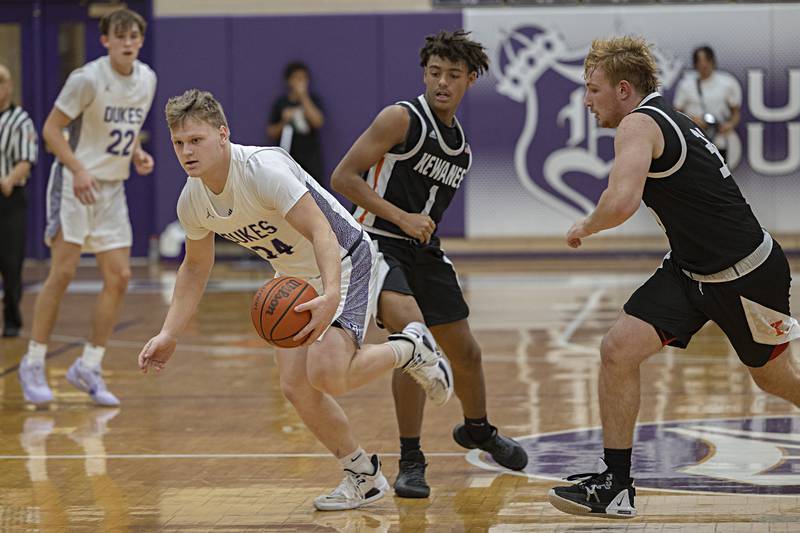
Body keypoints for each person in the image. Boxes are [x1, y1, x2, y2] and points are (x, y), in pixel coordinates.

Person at [138, 89, 454, 511]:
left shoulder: (262, 170)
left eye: (196, 140)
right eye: (178, 143)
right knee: (295, 387)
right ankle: (363, 475)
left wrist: (331, 294)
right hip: (294, 275)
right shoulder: (192, 200)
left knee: (328, 373)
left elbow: (322, 231)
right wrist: (168, 332)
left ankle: (410, 347)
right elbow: (194, 269)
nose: (186, 151)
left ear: (222, 134)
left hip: (345, 258)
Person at [549, 35, 800, 519]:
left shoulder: (639, 123)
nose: (586, 100)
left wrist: (586, 225)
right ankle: (616, 486)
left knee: (774, 379)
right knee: (617, 350)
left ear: (624, 89)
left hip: (747, 276)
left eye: (592, 89)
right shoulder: (667, 116)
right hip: (690, 269)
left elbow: (621, 202)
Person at [331, 29, 528, 499]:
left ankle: (478, 430)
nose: (442, 82)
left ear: (470, 80)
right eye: (435, 73)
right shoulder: (401, 118)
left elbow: (427, 220)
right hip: (376, 242)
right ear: (424, 74)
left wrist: (419, 228)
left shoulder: (461, 148)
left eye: (453, 75)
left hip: (423, 250)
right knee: (413, 340)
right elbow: (343, 177)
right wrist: (401, 217)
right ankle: (411, 457)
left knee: (468, 352)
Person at [17, 8, 157, 406]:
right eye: (121, 36)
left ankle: (89, 365)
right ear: (106, 41)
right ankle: (33, 361)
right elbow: (50, 130)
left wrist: (137, 153)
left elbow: (120, 132)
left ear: (141, 41)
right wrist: (77, 169)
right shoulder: (87, 79)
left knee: (120, 276)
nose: (128, 42)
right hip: (74, 183)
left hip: (112, 188)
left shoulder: (147, 79)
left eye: (134, 36)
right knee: (62, 272)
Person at [0, 60, 38, 338]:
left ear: (10, 86)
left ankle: (12, 316)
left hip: (9, 199)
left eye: (2, 80)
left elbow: (27, 159)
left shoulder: (20, 120)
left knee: (11, 263)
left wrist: (9, 179)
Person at [673, 45, 741, 161]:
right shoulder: (686, 85)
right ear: (695, 65)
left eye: (707, 60)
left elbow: (735, 112)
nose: (704, 65)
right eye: (700, 61)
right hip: (694, 140)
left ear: (713, 62)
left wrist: (729, 125)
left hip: (719, 140)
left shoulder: (727, 83)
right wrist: (692, 120)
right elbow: (676, 112)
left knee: (719, 176)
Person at [266, 62, 325, 185]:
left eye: (304, 78)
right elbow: (271, 132)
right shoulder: (281, 103)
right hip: (288, 159)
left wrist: (303, 96)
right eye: (297, 78)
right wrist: (285, 121)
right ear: (289, 81)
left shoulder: (313, 100)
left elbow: (318, 122)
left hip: (311, 161)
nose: (301, 82)